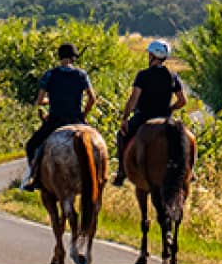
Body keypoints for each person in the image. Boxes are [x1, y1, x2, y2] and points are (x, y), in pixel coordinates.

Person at [21, 43, 97, 191]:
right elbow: (92, 99)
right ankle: (101, 174)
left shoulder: (49, 75)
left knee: (32, 145)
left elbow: (40, 100)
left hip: (56, 120)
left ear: (60, 57)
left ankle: (34, 178)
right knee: (96, 143)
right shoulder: (82, 75)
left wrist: (51, 100)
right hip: (76, 119)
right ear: (74, 58)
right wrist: (83, 114)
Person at [113, 39, 187, 186]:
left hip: (144, 117)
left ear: (152, 56)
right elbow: (182, 101)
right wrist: (170, 109)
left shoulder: (143, 75)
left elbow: (133, 99)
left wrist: (125, 118)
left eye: (149, 54)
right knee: (182, 139)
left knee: (122, 135)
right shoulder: (173, 76)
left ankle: (121, 171)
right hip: (165, 118)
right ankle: (189, 170)